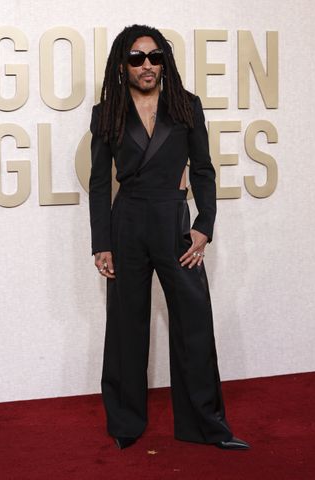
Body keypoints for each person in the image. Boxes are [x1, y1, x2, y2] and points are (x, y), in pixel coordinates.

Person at [89, 24, 250, 451]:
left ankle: (204, 425)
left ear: (165, 62)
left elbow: (203, 170)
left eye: (155, 57)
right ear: (123, 65)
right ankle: (126, 424)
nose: (148, 65)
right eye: (138, 58)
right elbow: (100, 183)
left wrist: (204, 225)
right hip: (126, 223)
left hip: (174, 222)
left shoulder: (185, 105)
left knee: (193, 322)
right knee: (126, 326)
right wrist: (100, 242)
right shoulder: (106, 111)